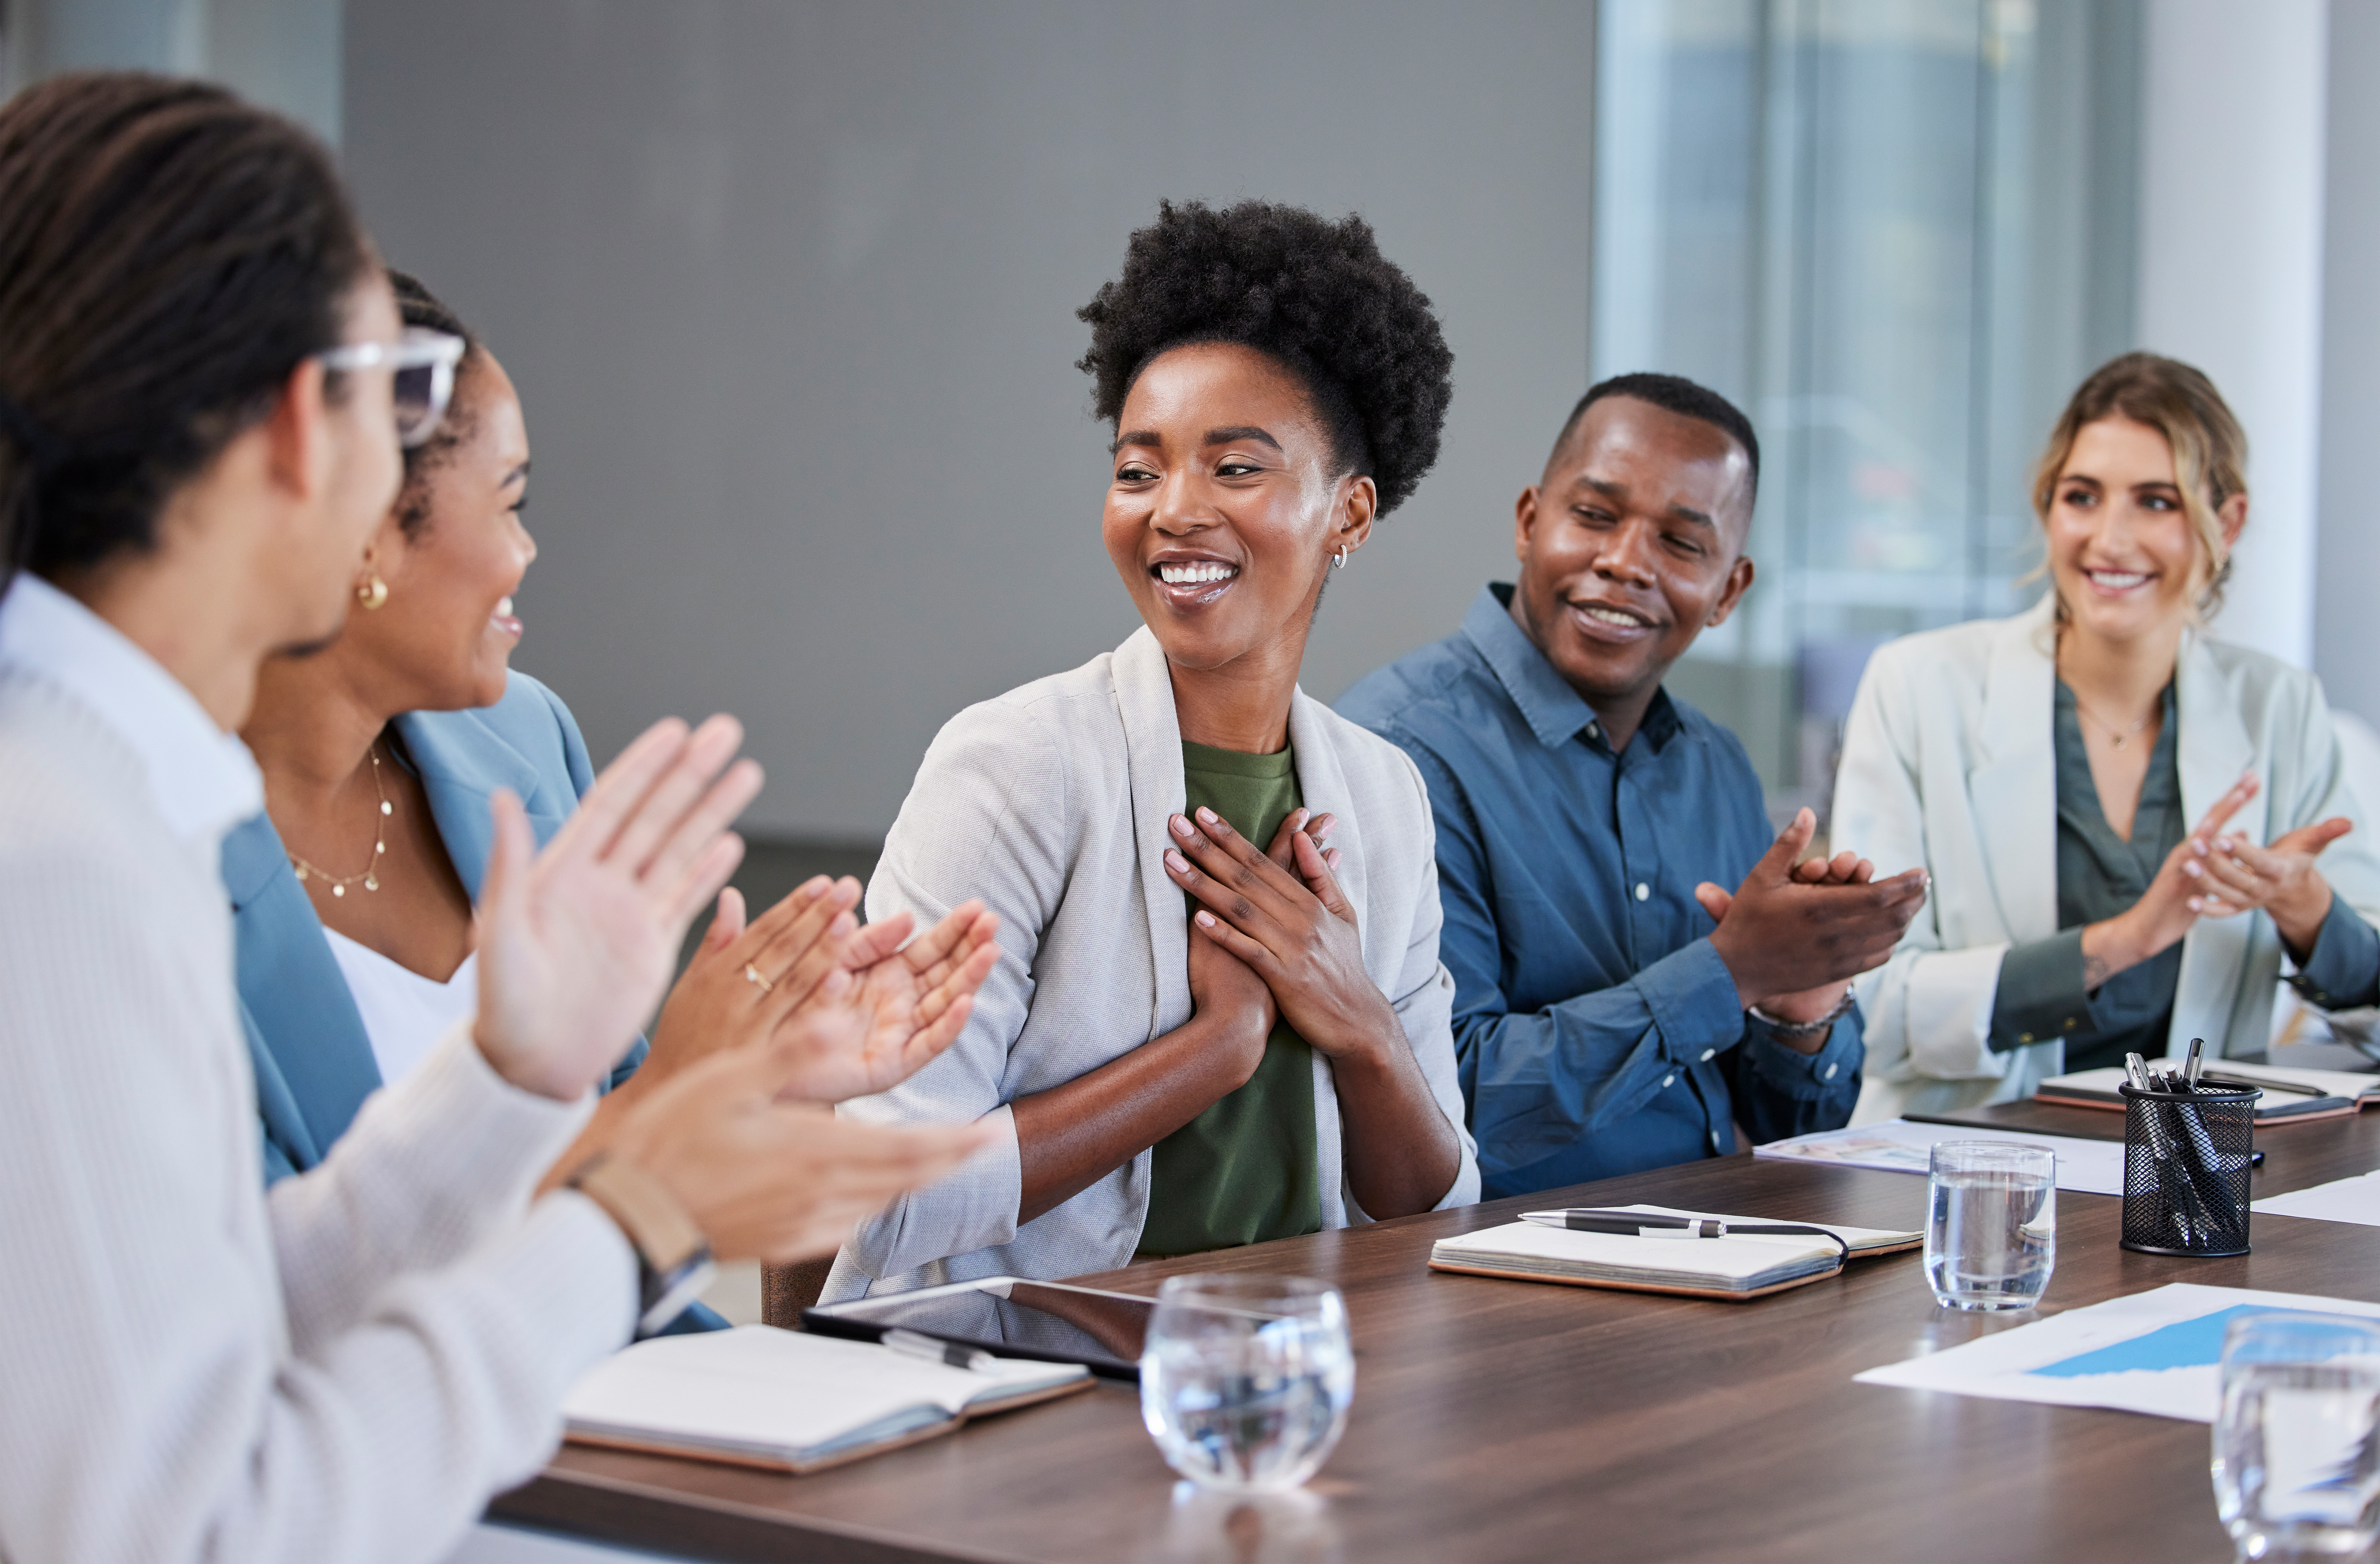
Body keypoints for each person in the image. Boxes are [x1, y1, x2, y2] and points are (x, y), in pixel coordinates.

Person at [0, 73, 987, 1563]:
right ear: (293, 426)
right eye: (393, 397)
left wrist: (511, 1077)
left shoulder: (98, 790)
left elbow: (233, 1302)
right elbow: (188, 1527)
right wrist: (631, 1211)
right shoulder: (55, 855)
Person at [231, 271, 1001, 1211]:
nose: (529, 552)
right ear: (366, 537)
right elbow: (295, 1297)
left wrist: (747, 1069)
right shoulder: (151, 855)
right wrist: (683, 1086)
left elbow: (608, 1131)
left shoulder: (523, 734)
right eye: (509, 502)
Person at [824, 200, 1480, 1301]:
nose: (1174, 510)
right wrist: (1213, 1049)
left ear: (1351, 513)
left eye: (1235, 469)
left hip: (1301, 1362)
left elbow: (1431, 1201)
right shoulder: (1013, 764)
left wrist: (1361, 1023)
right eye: (1139, 469)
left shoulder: (1383, 793)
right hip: (1019, 1372)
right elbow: (887, 1191)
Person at [1339, 373, 1928, 1198]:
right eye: (1595, 516)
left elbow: (1797, 1132)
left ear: (1728, 590)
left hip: (1730, 1246)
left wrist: (1799, 1008)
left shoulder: (1716, 768)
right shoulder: (1398, 752)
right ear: (1530, 521)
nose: (1624, 564)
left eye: (1682, 544)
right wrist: (1729, 974)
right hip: (1504, 1278)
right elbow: (1439, 1101)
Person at [1832, 352, 2380, 1121]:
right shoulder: (1920, 687)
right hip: (1964, 1163)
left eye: (2157, 502)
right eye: (2082, 497)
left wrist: (2309, 914)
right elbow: (1869, 1006)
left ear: (2227, 523)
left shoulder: (2279, 707)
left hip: (2192, 1183)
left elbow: (2373, 1005)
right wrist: (2116, 944)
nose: (2110, 539)